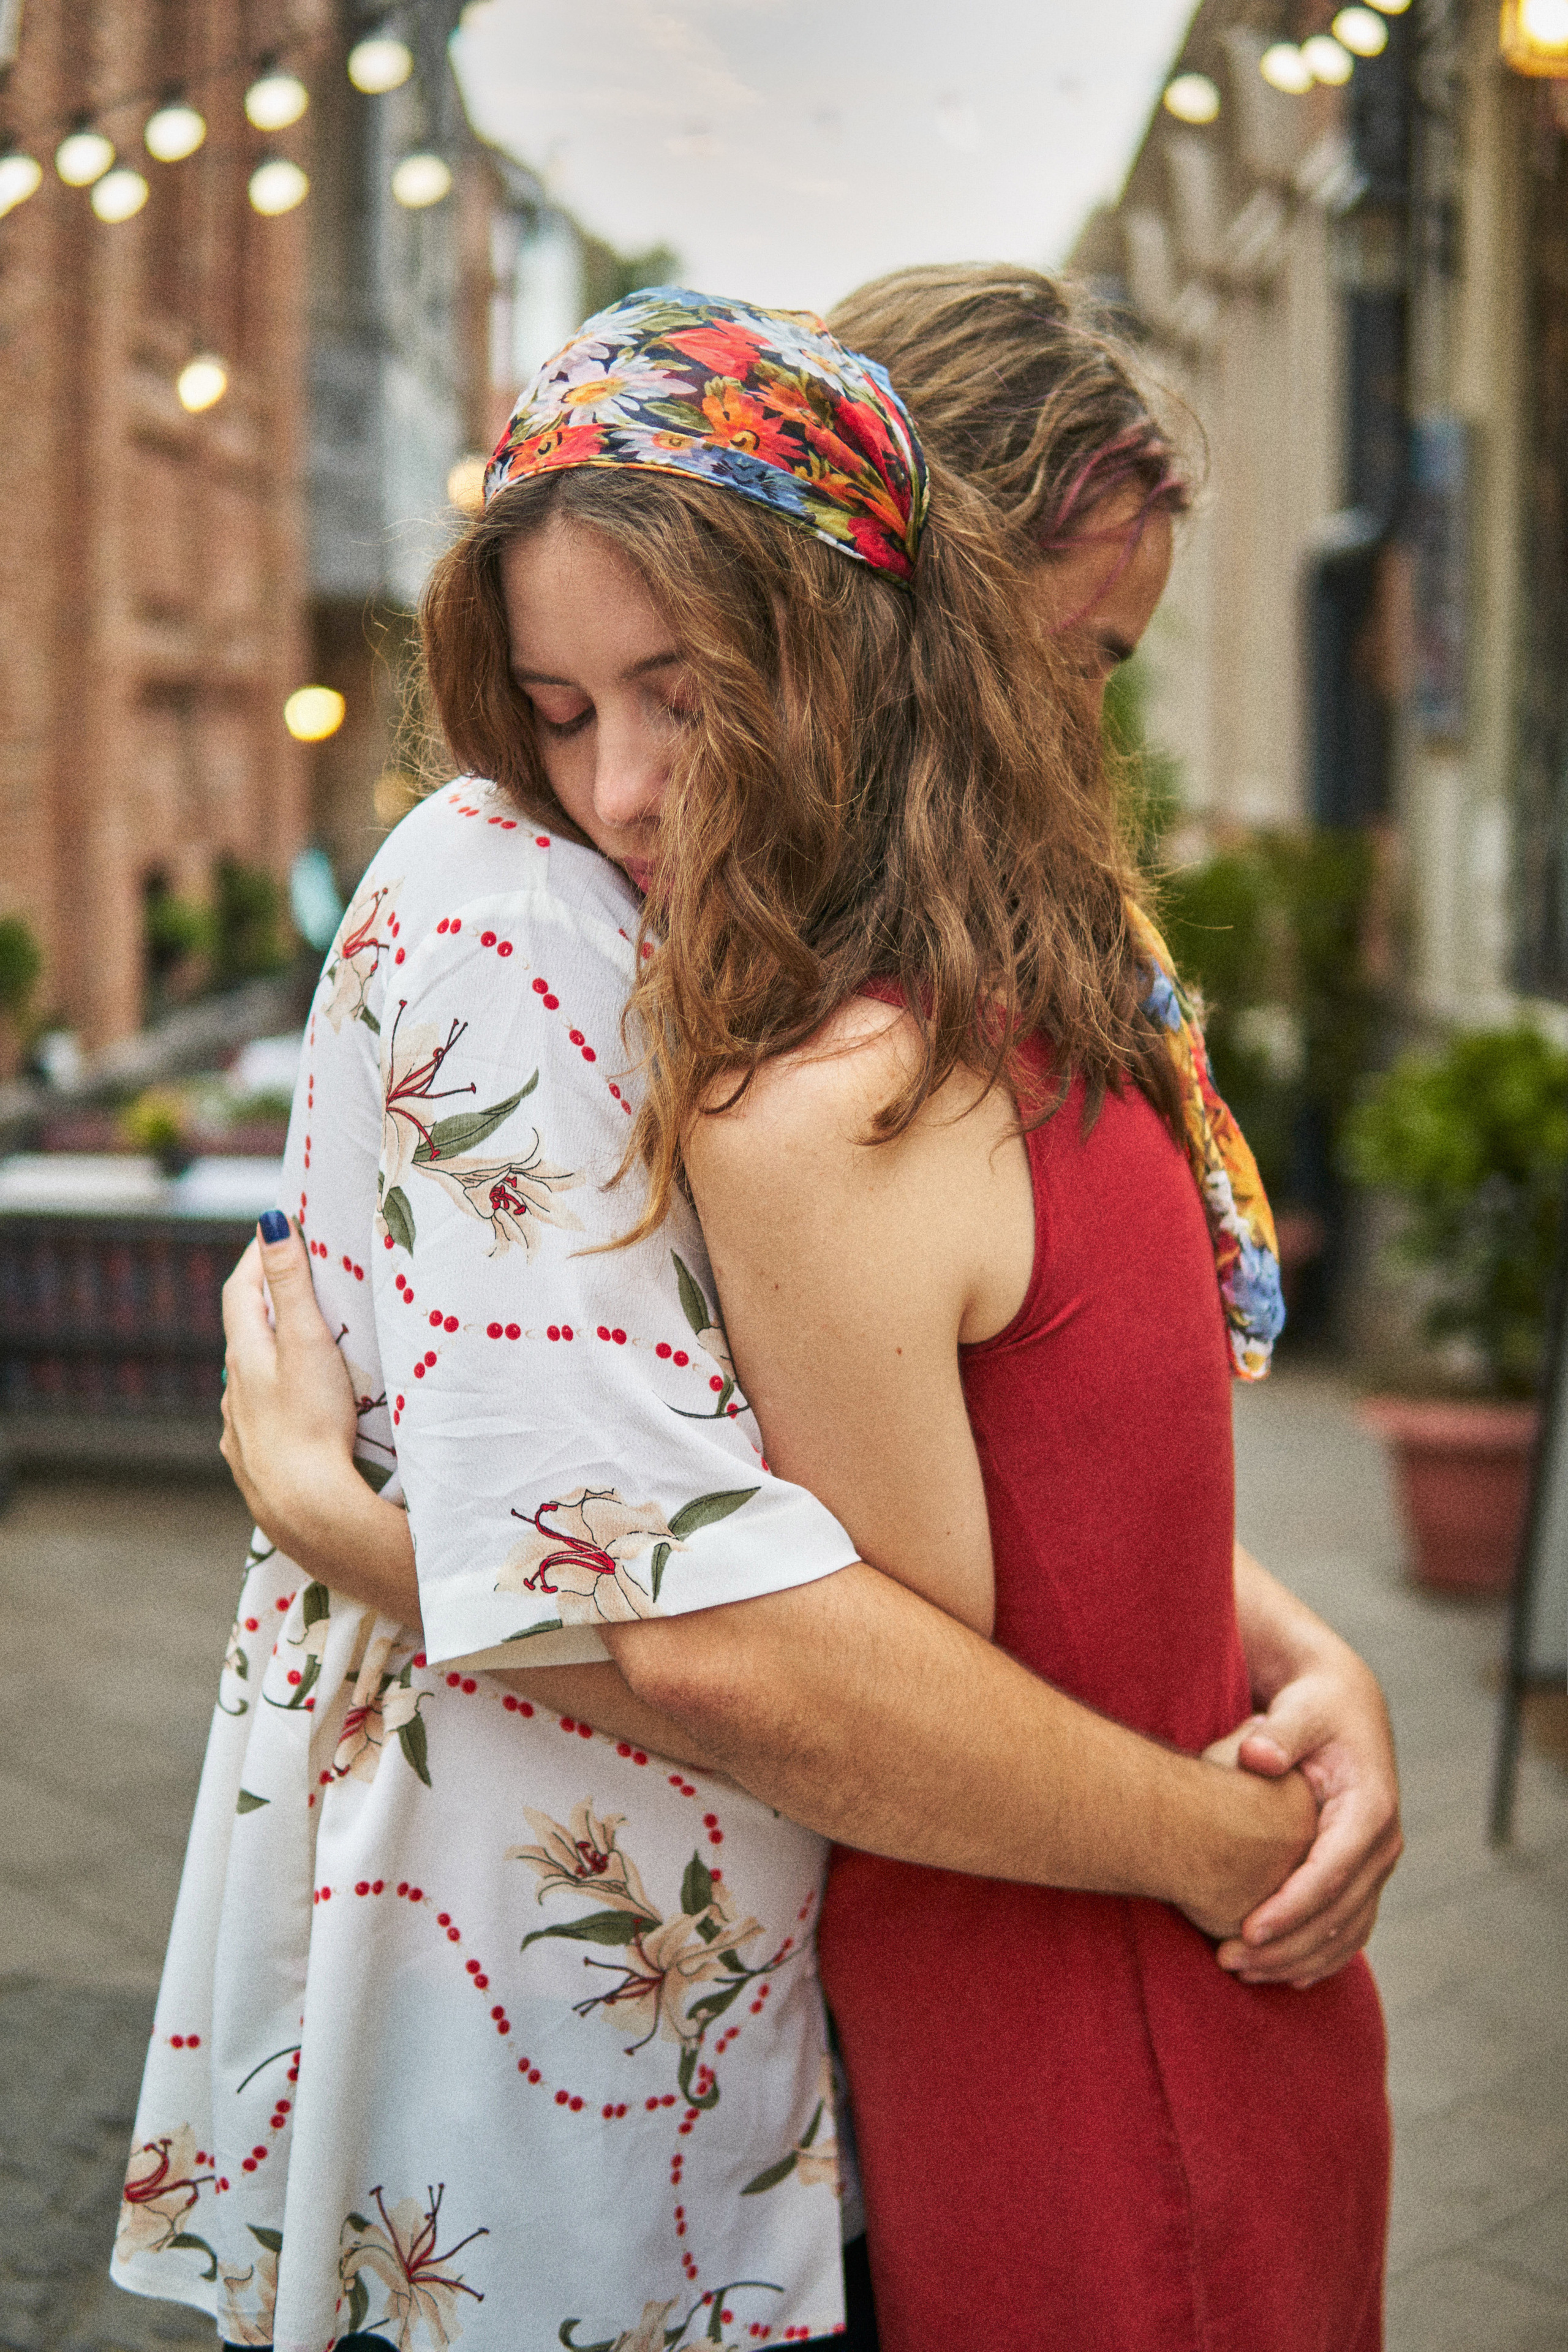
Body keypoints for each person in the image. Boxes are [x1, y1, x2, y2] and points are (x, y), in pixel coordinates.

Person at [117, 289, 1391, 2352]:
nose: (618, 781)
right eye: (557, 703)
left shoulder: (842, 980)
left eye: (679, 694)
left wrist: (1303, 1660)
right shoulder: (525, 919)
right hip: (549, 2059)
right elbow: (740, 1635)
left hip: (759, 2028)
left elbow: (971, 1494)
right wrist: (1227, 1836)